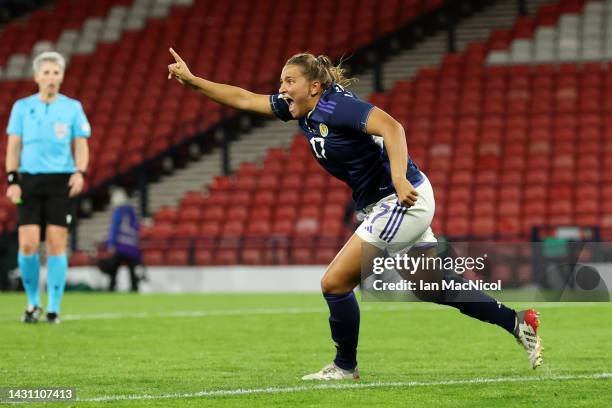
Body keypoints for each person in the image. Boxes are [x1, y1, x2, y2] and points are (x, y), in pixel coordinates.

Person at [167, 48, 543, 379]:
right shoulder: (303, 108)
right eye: (281, 81)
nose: (281, 89)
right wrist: (193, 80)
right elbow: (245, 99)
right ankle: (517, 321)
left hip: (402, 200)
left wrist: (397, 178)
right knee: (434, 287)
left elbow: (393, 128)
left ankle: (345, 367)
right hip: (389, 202)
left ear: (314, 86)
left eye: (289, 81)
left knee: (334, 283)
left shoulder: (336, 105)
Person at [5, 51, 90, 324]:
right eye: (46, 72)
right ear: (37, 76)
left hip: (60, 181)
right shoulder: (21, 107)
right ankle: (32, 304)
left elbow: (81, 144)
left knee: (56, 245)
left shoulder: (73, 107)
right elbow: (13, 146)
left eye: (56, 73)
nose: (51, 77)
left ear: (62, 76)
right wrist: (12, 180)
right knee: (27, 244)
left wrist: (80, 172)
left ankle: (53, 307)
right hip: (29, 180)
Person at [97, 187, 142, 292]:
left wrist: (111, 244)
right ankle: (134, 287)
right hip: (132, 247)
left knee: (115, 267)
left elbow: (114, 229)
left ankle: (112, 287)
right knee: (131, 268)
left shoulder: (118, 212)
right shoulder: (132, 212)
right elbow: (137, 228)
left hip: (121, 246)